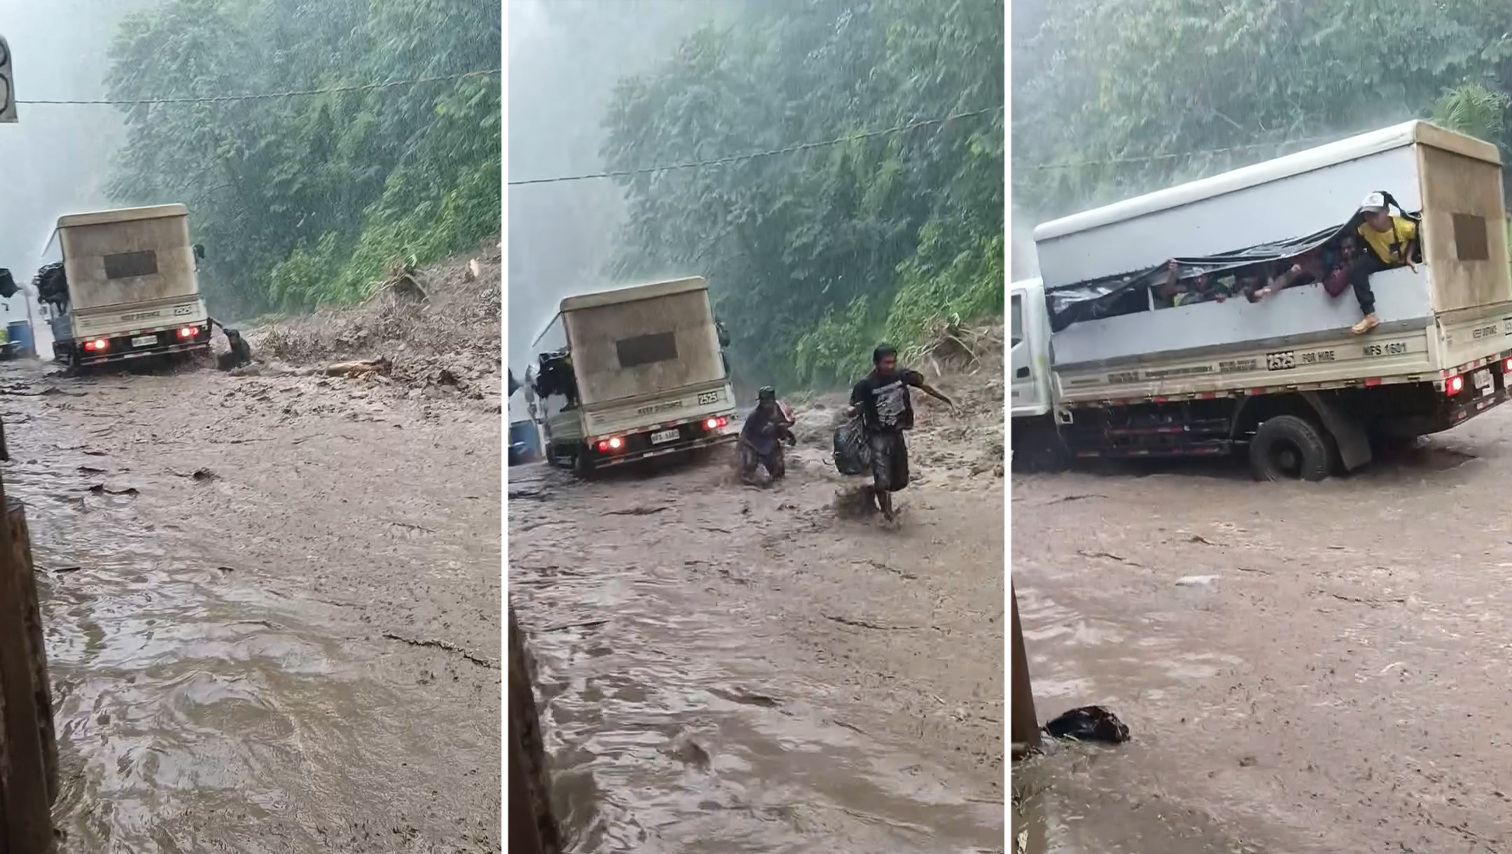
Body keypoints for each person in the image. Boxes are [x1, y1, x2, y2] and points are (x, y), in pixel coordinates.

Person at [848, 344, 955, 521]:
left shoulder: (901, 376)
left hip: (896, 432)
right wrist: (854, 411)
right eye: (886, 363)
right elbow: (851, 408)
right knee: (883, 479)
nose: (890, 366)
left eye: (893, 362)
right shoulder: (865, 385)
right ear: (876, 363)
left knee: (900, 481)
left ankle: (870, 492)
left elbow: (925, 386)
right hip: (876, 435)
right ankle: (887, 516)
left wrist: (947, 400)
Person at [1348, 191, 1419, 335]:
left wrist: (1409, 257)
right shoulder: (1364, 229)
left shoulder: (1405, 227)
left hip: (1400, 260)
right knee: (1356, 268)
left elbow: (1416, 237)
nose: (1371, 220)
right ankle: (1369, 315)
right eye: (1367, 215)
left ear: (1386, 212)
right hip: (1382, 260)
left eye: (1375, 214)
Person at [738, 386, 794, 485]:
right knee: (747, 475)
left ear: (772, 400)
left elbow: (789, 422)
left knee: (779, 475)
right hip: (752, 445)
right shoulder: (754, 416)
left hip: (770, 444)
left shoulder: (780, 409)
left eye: (767, 402)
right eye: (762, 402)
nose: (764, 404)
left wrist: (787, 434)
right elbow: (744, 436)